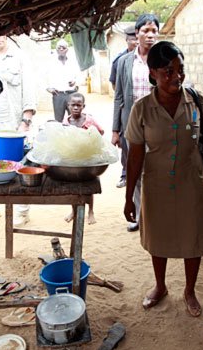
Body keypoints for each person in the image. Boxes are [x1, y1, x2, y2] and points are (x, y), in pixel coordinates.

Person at [124, 41, 203, 317]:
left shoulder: (195, 101)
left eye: (180, 69)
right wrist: (129, 197)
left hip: (193, 181)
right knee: (158, 237)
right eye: (168, 71)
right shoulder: (142, 109)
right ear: (153, 73)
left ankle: (189, 290)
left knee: (192, 237)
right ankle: (160, 286)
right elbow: (135, 157)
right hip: (156, 184)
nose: (176, 76)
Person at [0, 35, 36, 226]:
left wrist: (25, 121)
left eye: (2, 34)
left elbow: (29, 90)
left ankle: (22, 211)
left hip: (13, 123)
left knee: (18, 165)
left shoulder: (19, 57)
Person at [112, 13, 160, 232]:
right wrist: (116, 129)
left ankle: (157, 217)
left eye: (154, 31)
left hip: (158, 124)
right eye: (145, 31)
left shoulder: (163, 58)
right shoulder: (124, 62)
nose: (150, 35)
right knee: (136, 170)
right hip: (133, 125)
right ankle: (140, 217)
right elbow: (119, 97)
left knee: (157, 170)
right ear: (137, 33)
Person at [62, 92, 104, 225]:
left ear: (83, 106)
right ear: (68, 106)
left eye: (78, 105)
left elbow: (101, 132)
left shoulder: (89, 120)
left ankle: (90, 211)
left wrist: (90, 139)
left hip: (87, 158)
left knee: (88, 186)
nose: (75, 107)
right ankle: (74, 211)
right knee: (73, 186)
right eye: (73, 105)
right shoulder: (66, 122)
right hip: (72, 158)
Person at [109, 26, 138, 189]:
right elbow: (116, 87)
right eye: (132, 39)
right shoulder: (120, 61)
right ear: (127, 40)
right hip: (125, 108)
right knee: (126, 146)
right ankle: (125, 174)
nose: (135, 42)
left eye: (137, 38)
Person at [46, 39, 79, 122]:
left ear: (67, 50)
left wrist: (75, 81)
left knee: (74, 119)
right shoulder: (51, 63)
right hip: (58, 95)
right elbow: (44, 76)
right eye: (59, 47)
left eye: (63, 47)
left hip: (71, 94)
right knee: (58, 120)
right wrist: (48, 88)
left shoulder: (73, 62)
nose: (61, 49)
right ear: (56, 50)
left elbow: (78, 75)